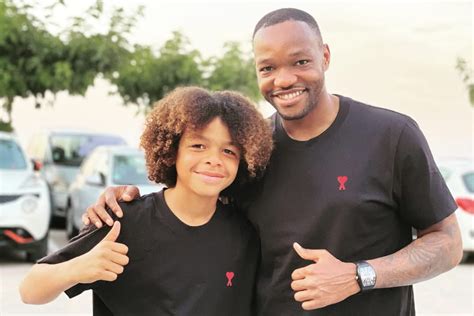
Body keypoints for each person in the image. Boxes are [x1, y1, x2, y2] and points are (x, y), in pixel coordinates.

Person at [82, 8, 463, 315]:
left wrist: (360, 274)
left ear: (325, 57)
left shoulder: (391, 135)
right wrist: (125, 202)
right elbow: (193, 204)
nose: (283, 79)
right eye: (268, 68)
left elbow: (447, 243)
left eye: (300, 61)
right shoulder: (249, 148)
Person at [19, 87, 273, 315]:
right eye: (198, 146)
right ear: (172, 152)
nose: (213, 159)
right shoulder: (121, 222)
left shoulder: (245, 234)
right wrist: (77, 268)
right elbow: (29, 291)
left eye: (228, 151)